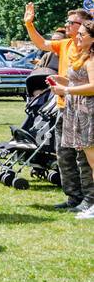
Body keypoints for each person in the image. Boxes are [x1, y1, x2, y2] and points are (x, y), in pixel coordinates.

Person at [24, 3, 94, 212]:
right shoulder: (66, 45)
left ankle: (89, 199)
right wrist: (29, 23)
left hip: (84, 108)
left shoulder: (88, 53)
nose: (67, 26)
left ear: (84, 25)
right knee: (64, 154)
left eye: (71, 23)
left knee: (85, 156)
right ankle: (73, 197)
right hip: (66, 107)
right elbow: (42, 43)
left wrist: (68, 89)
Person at [49, 21, 94, 220]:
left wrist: (65, 90)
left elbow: (93, 87)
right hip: (78, 111)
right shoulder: (84, 56)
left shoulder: (92, 59)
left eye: (82, 34)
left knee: (93, 162)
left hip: (88, 113)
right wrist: (62, 82)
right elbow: (79, 82)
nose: (78, 37)